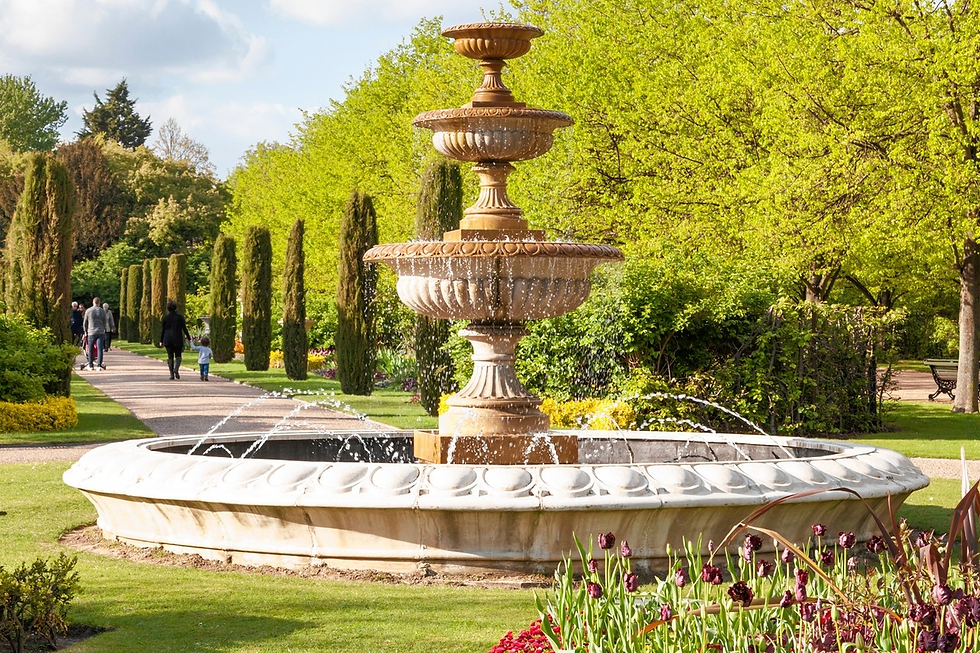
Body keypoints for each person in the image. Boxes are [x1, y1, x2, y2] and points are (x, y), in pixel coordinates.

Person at [158, 300, 191, 380]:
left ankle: (171, 374)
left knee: (170, 356)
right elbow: (184, 328)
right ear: (176, 308)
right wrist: (189, 338)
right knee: (178, 355)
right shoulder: (180, 318)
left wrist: (161, 340)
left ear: (168, 308)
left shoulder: (165, 318)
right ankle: (176, 369)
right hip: (177, 338)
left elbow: (163, 330)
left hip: (167, 338)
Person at [82, 297, 107, 370]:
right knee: (100, 349)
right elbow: (105, 322)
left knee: (90, 349)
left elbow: (85, 323)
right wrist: (103, 328)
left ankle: (90, 365)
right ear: (99, 303)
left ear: (93, 302)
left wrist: (85, 332)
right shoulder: (102, 311)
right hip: (100, 332)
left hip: (91, 332)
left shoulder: (88, 311)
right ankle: (99, 365)